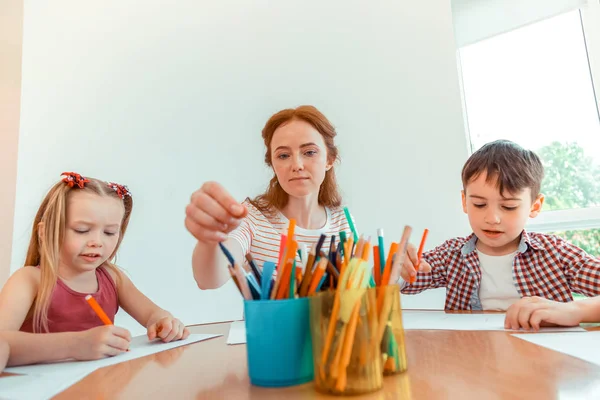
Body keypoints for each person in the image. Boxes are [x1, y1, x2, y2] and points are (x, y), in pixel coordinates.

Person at [0, 172, 189, 367]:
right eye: (82, 230)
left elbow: (153, 315)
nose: (97, 242)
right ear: (45, 231)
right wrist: (75, 345)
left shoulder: (114, 277)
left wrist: (165, 322)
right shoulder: (29, 280)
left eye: (109, 232)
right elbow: (2, 342)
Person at [399, 140, 600, 311]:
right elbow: (403, 283)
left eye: (508, 206)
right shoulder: (451, 254)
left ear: (534, 206)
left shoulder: (556, 253)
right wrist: (395, 268)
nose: (492, 218)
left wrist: (572, 311)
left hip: (543, 355)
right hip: (471, 352)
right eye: (479, 204)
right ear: (464, 202)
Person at [186, 105, 355, 289]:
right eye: (283, 155)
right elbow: (208, 280)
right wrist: (210, 239)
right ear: (272, 164)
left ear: (329, 160)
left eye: (309, 152)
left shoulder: (343, 222)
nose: (297, 164)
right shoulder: (252, 217)